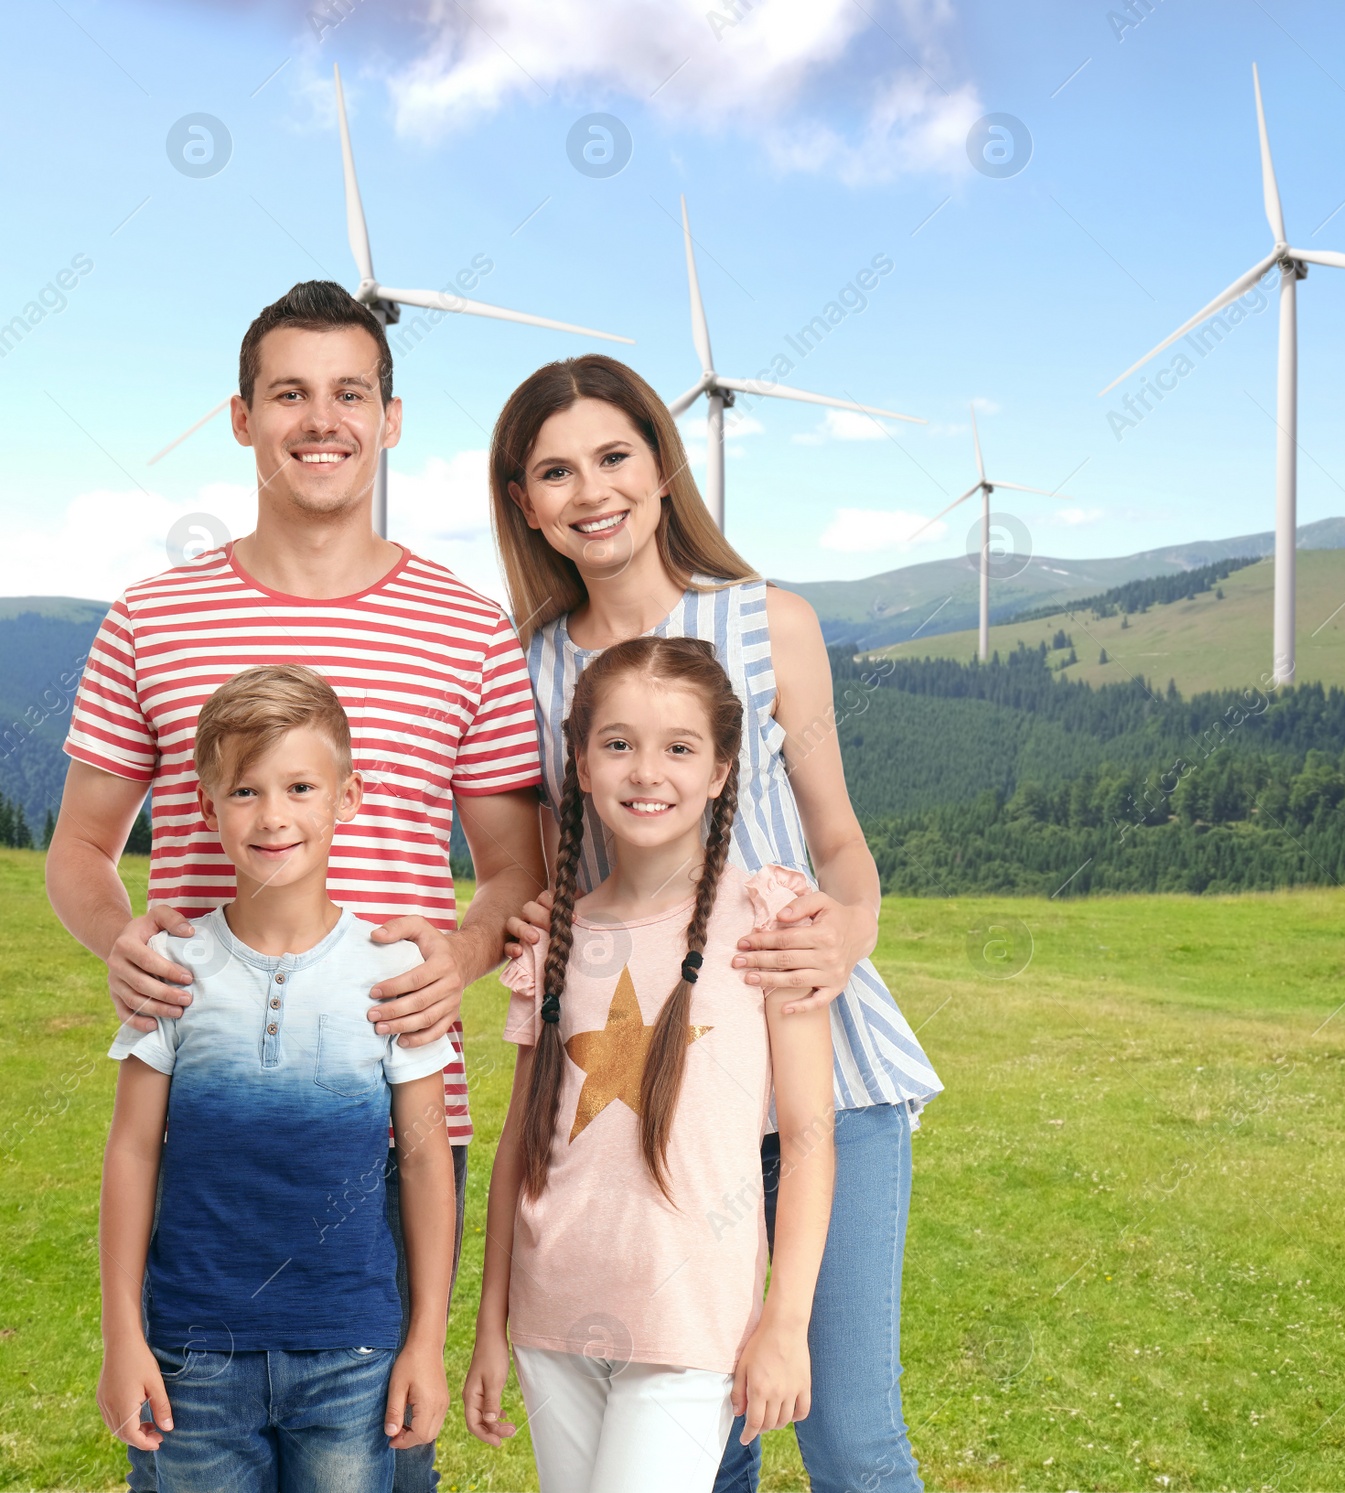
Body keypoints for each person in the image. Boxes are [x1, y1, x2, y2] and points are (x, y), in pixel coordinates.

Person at [47, 280, 545, 1492]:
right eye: (289, 393)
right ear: (241, 417)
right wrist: (123, 941)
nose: (319, 419)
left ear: (388, 419)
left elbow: (517, 869)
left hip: (397, 1120)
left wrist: (458, 960)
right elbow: (78, 852)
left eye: (347, 394)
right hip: (205, 1111)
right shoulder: (148, 619)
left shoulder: (468, 627)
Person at [491, 355, 942, 1491]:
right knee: (703, 1429)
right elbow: (566, 866)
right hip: (655, 1074)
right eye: (554, 470)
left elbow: (838, 840)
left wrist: (849, 927)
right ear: (523, 500)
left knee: (844, 1429)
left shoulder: (767, 623)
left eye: (613, 456)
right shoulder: (532, 663)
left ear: (661, 465)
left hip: (816, 1066)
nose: (590, 490)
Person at [462, 636, 836, 1492]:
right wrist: (492, 1321)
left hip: (688, 1326)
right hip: (551, 1316)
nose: (646, 771)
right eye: (619, 743)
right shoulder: (555, 933)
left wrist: (787, 1319)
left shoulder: (770, 917)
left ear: (720, 769)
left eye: (679, 747)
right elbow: (519, 1143)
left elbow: (811, 1139)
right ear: (582, 764)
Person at [97, 665, 456, 1491]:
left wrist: (425, 1342)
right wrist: (125, 1334)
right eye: (246, 790)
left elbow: (427, 1160)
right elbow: (133, 1151)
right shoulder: (170, 970)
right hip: (191, 1357)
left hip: (352, 1356)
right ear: (205, 804)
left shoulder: (392, 970)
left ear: (348, 796)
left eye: (300, 785)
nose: (274, 815)